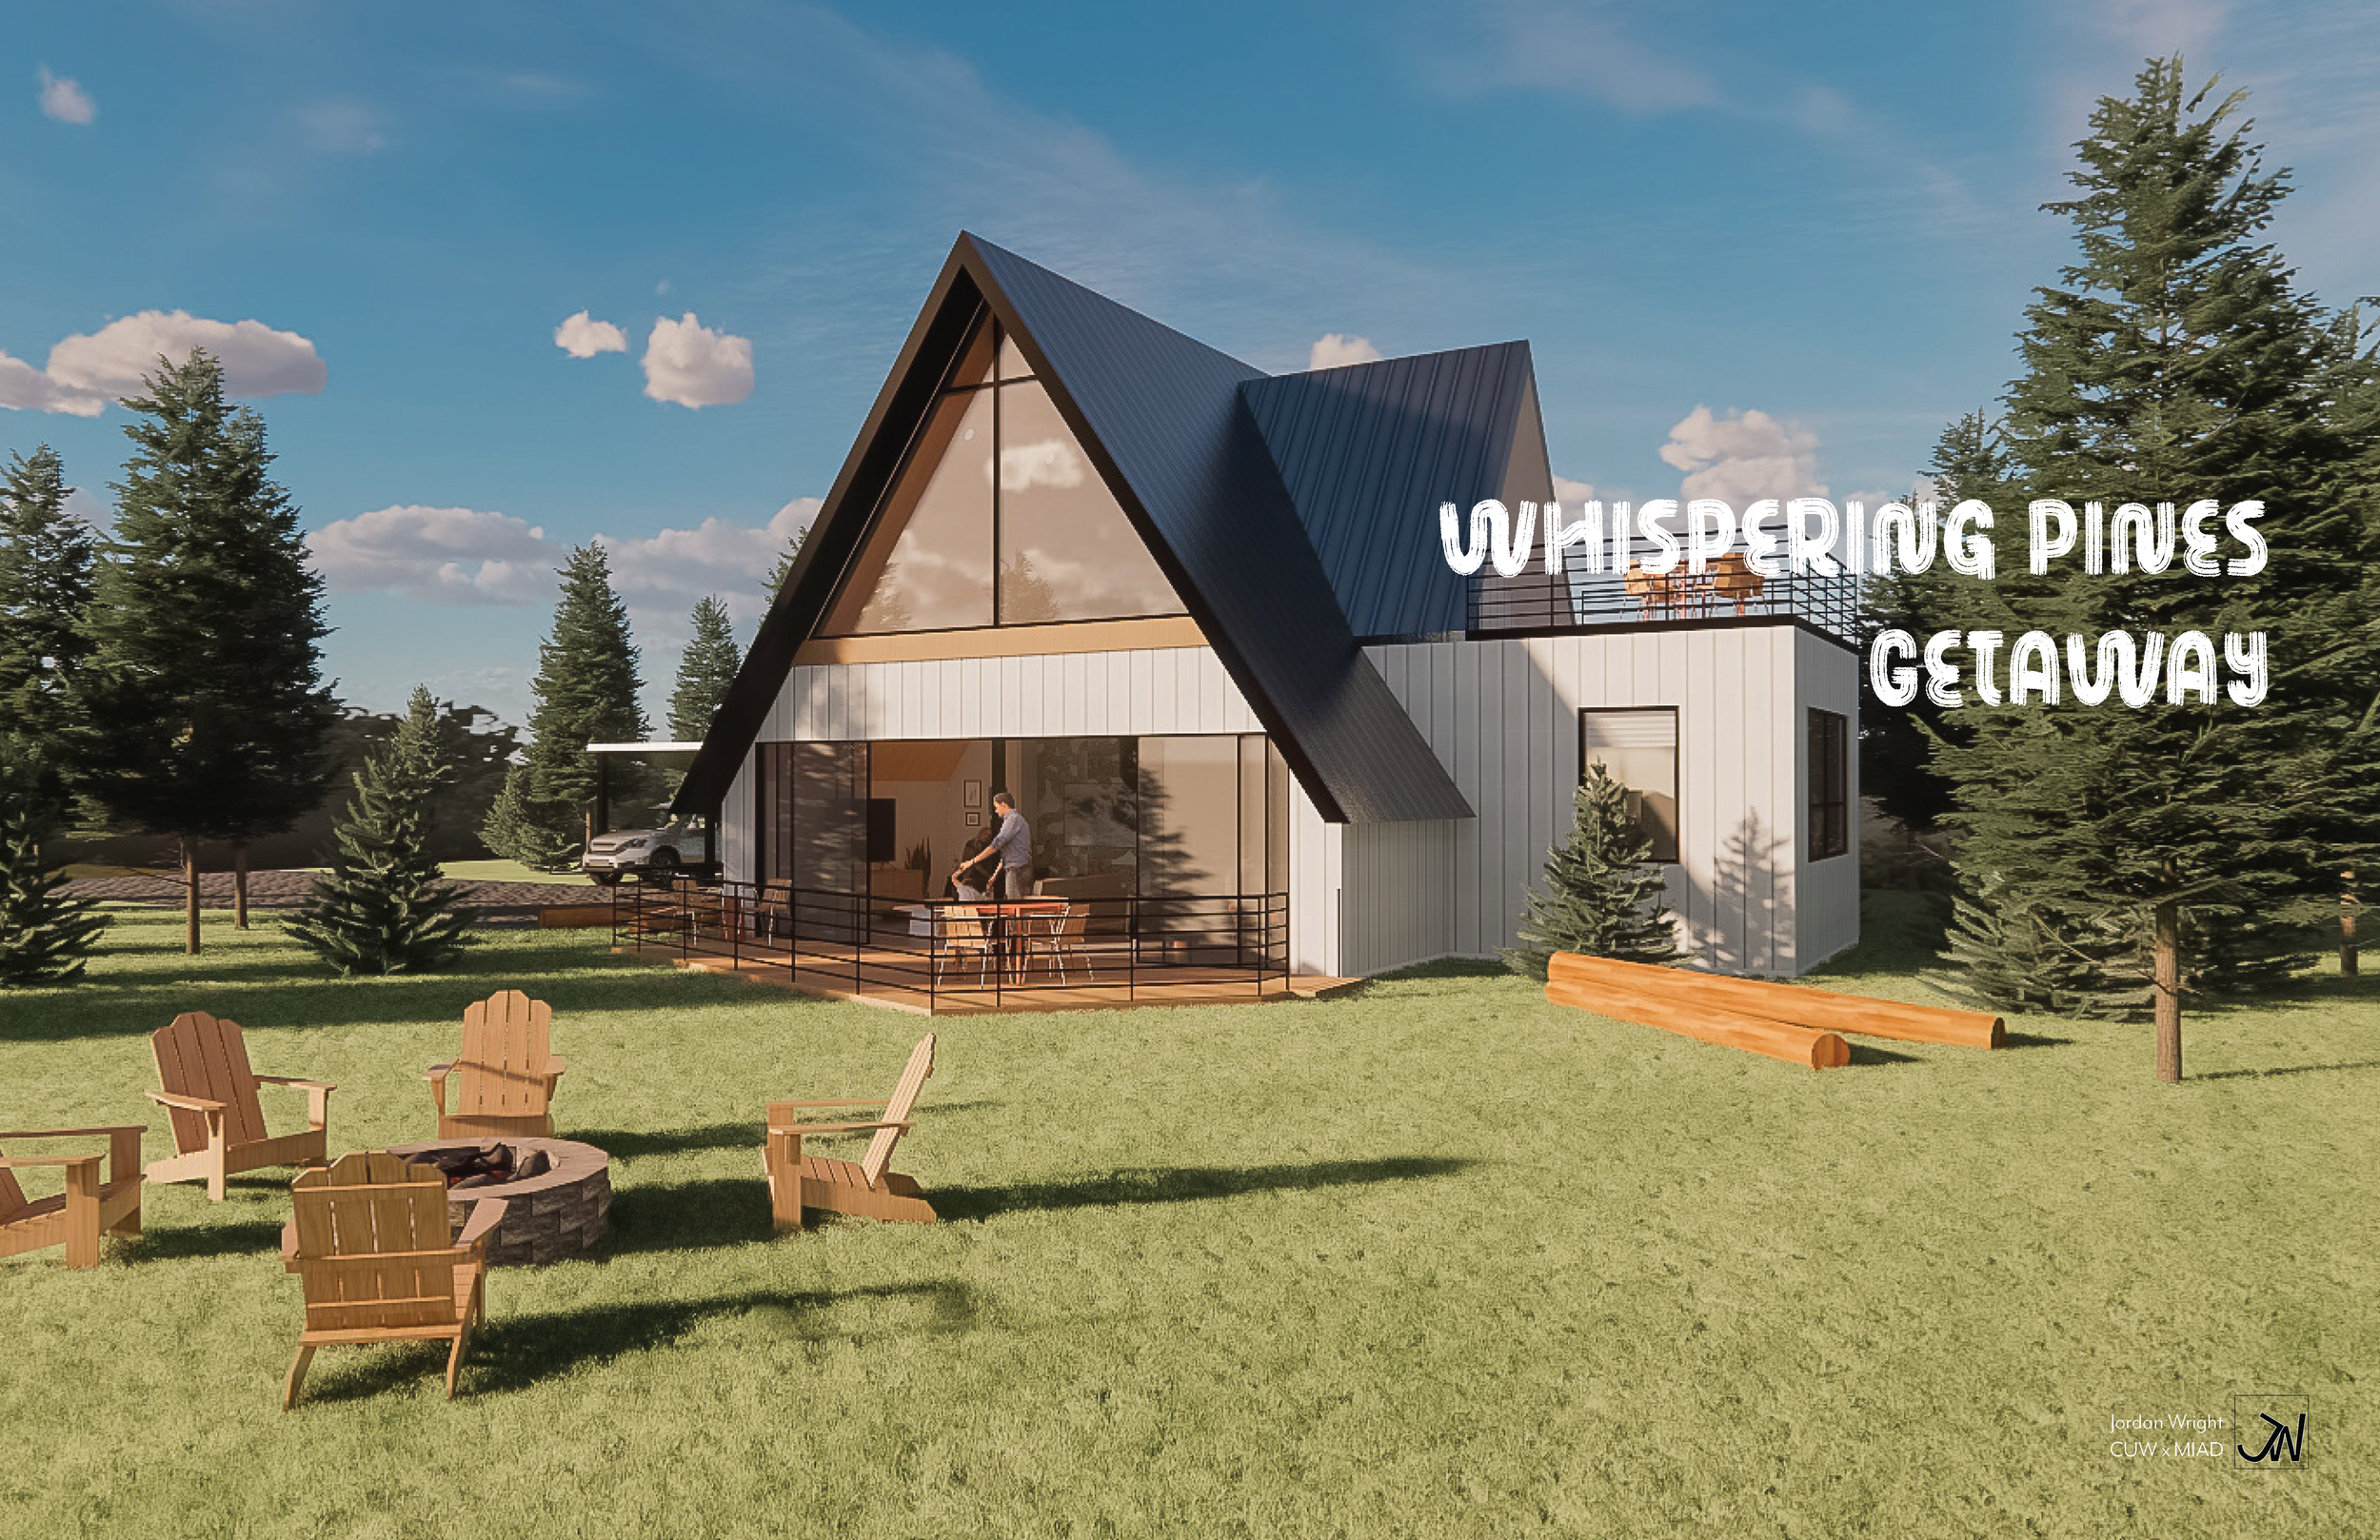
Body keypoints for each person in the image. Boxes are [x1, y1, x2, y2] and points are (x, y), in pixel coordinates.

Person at [953, 790, 1031, 900]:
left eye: (996, 807)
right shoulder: (1015, 820)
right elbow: (1008, 853)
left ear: (1003, 804)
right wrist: (994, 875)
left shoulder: (1013, 819)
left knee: (1014, 906)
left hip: (1016, 869)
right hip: (1016, 868)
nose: (995, 811)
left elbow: (997, 844)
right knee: (1014, 904)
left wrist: (972, 861)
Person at [944, 830, 994, 901]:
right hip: (970, 873)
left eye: (989, 835)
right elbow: (971, 862)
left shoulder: (988, 846)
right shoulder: (972, 844)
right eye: (985, 834)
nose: (987, 836)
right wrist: (987, 874)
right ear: (981, 833)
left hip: (980, 876)